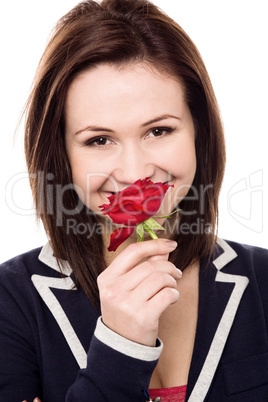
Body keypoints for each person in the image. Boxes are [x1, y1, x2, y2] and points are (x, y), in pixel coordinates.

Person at [0, 0, 267, 401]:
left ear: (199, 132)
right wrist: (120, 346)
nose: (134, 172)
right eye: (99, 140)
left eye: (158, 131)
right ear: (62, 156)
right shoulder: (10, 301)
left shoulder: (262, 280)